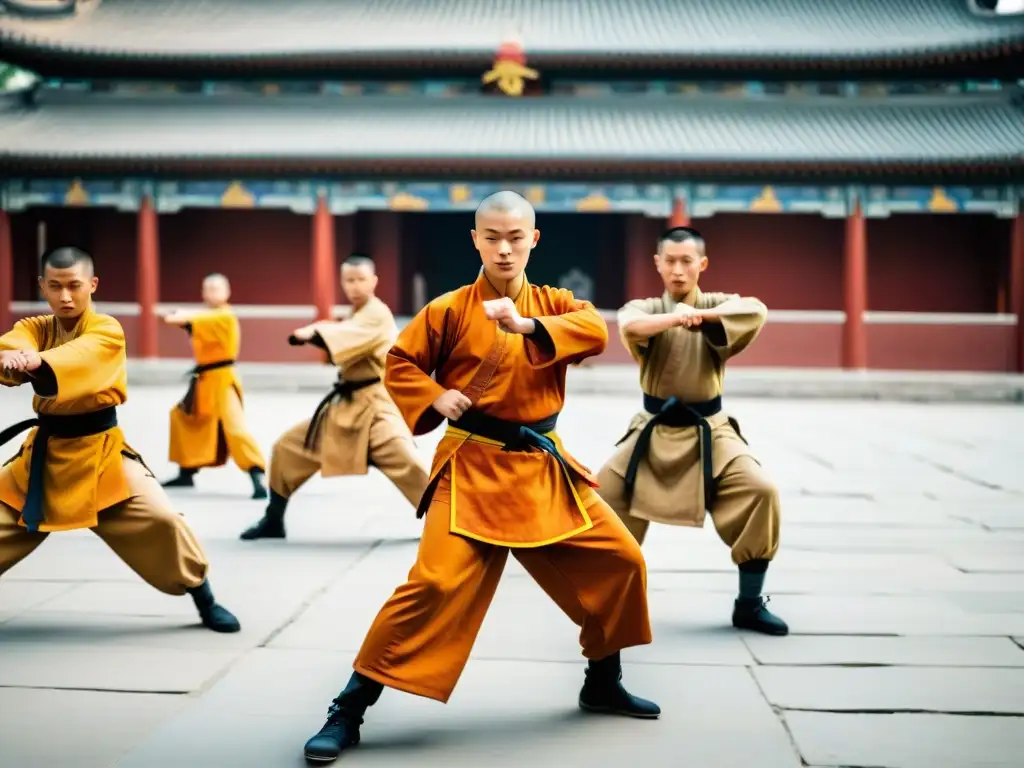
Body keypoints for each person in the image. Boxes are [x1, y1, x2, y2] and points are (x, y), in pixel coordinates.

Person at [301, 192, 659, 764]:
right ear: (475, 239)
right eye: (492, 236)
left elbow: (594, 330)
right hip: (470, 463)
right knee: (435, 584)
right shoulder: (447, 308)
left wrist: (527, 325)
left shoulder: (554, 302)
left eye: (516, 237)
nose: (504, 247)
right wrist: (434, 394)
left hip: (541, 466)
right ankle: (349, 707)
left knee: (621, 561)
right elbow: (400, 362)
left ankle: (602, 680)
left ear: (533, 240)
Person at [0, 247, 240, 633]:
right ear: (42, 286)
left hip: (102, 455)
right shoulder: (37, 328)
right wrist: (16, 356)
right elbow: (13, 342)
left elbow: (81, 357)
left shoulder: (107, 330)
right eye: (56, 287)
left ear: (92, 285)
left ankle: (203, 595)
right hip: (42, 460)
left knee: (162, 521)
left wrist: (37, 362)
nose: (65, 296)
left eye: (74, 286)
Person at [595, 226, 788, 636]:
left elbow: (755, 310)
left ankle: (750, 603)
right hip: (652, 429)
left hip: (710, 429)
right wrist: (675, 318)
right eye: (671, 261)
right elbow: (629, 326)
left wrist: (703, 318)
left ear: (702, 265)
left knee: (760, 491)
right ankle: (607, 600)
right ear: (657, 264)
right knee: (602, 495)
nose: (678, 270)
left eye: (687, 262)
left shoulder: (718, 304)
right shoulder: (643, 307)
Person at [240, 254, 429, 540]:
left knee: (409, 463)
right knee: (287, 448)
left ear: (374, 281)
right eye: (349, 280)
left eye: (360, 279)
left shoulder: (377, 313)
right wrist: (320, 331)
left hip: (375, 408)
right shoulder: (357, 313)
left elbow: (345, 334)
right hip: (345, 406)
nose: (354, 286)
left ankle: (447, 523)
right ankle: (273, 519)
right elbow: (343, 333)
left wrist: (314, 331)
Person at [160, 273, 268, 499]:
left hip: (223, 378)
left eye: (217, 288)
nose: (212, 293)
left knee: (234, 426)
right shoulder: (208, 317)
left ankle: (256, 473)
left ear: (227, 292)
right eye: (208, 288)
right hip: (205, 379)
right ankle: (186, 472)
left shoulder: (224, 316)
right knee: (182, 417)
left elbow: (180, 320)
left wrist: (178, 315)